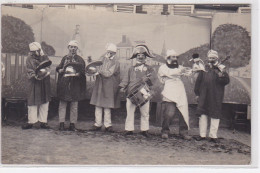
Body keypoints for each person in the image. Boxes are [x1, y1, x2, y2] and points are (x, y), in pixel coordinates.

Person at [119, 45, 156, 137]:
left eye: (142, 56)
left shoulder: (149, 69)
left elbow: (153, 80)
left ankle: (144, 130)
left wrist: (148, 81)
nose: (140, 57)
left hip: (144, 92)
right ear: (136, 57)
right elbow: (125, 80)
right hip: (131, 92)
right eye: (138, 56)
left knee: (145, 112)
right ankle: (129, 129)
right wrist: (122, 87)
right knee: (130, 112)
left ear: (145, 57)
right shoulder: (130, 68)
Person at [194, 50, 230, 143]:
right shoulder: (205, 68)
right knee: (203, 115)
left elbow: (226, 81)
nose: (211, 59)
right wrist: (197, 93)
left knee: (215, 114)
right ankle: (202, 135)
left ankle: (213, 136)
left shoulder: (221, 68)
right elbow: (198, 81)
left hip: (216, 95)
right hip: (204, 95)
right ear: (208, 58)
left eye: (213, 58)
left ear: (217, 58)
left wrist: (220, 75)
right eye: (210, 58)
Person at [158, 49, 191, 139]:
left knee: (183, 111)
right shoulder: (163, 67)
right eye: (173, 57)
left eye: (176, 57)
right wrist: (180, 71)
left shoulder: (179, 67)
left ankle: (184, 132)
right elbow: (169, 73)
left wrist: (189, 70)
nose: (175, 58)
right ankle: (165, 131)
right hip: (169, 91)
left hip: (180, 90)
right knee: (169, 113)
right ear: (168, 58)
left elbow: (187, 73)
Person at [90, 43, 120, 132]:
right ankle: (97, 124)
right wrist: (94, 71)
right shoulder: (102, 58)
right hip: (100, 84)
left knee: (107, 106)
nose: (109, 54)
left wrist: (98, 71)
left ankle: (108, 125)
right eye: (108, 52)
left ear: (114, 53)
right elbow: (95, 66)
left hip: (109, 85)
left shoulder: (116, 62)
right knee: (98, 105)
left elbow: (108, 73)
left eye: (111, 52)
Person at [56, 40, 86, 131]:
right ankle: (61, 123)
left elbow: (83, 71)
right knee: (62, 104)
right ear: (68, 48)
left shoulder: (80, 59)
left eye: (75, 47)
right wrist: (60, 70)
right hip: (64, 83)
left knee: (74, 105)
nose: (73, 49)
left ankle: (72, 124)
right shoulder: (64, 58)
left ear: (77, 48)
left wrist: (78, 74)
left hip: (75, 84)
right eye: (71, 47)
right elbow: (59, 67)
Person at [22, 42, 51, 129]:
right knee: (32, 101)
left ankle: (43, 121)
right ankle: (31, 121)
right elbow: (28, 69)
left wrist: (44, 73)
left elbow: (48, 67)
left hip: (44, 82)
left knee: (45, 101)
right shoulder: (29, 59)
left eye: (35, 51)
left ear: (39, 50)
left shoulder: (45, 57)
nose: (34, 53)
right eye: (32, 52)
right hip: (34, 82)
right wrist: (34, 75)